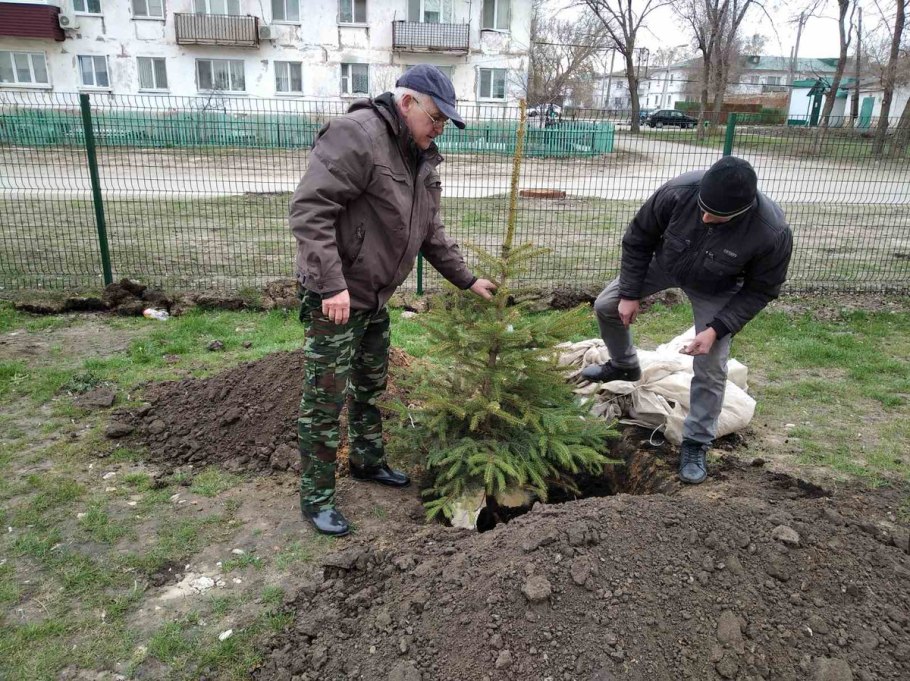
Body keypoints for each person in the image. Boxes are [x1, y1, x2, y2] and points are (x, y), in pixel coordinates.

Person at [289, 65, 497, 537]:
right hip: (336, 297)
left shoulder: (420, 157)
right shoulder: (356, 135)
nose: (441, 127)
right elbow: (309, 211)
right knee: (325, 399)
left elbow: (430, 231)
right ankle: (316, 497)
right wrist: (330, 284)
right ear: (407, 103)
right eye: (436, 117)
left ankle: (367, 461)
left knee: (369, 385)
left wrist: (467, 280)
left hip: (374, 296)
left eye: (446, 120)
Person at [581, 156, 792, 484]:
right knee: (608, 304)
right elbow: (639, 238)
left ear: (742, 210)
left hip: (720, 285)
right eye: (702, 208)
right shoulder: (679, 191)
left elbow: (761, 290)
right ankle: (624, 365)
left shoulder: (771, 231)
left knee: (711, 363)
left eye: (716, 216)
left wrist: (716, 329)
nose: (705, 216)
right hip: (668, 262)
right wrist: (631, 293)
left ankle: (696, 440)